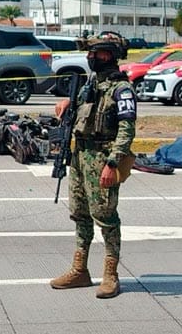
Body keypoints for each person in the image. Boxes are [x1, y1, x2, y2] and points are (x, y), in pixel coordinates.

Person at [50, 33, 136, 299]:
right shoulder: (91, 84)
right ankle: (80, 270)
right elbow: (80, 108)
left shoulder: (122, 90)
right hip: (80, 155)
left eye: (95, 54)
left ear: (108, 55)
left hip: (102, 158)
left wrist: (113, 163)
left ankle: (111, 275)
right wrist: (67, 103)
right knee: (80, 214)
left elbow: (126, 129)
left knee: (106, 217)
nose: (90, 58)